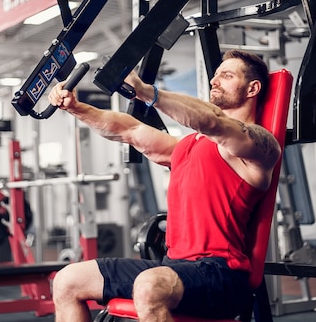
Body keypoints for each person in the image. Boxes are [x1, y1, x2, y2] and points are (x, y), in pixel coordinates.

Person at [48, 49, 281, 322]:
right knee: (67, 280)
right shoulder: (187, 146)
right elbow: (129, 130)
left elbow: (212, 122)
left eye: (227, 76)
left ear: (253, 88)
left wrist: (147, 92)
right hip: (173, 267)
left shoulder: (259, 146)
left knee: (149, 286)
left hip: (222, 274)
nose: (214, 81)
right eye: (215, 76)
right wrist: (76, 107)